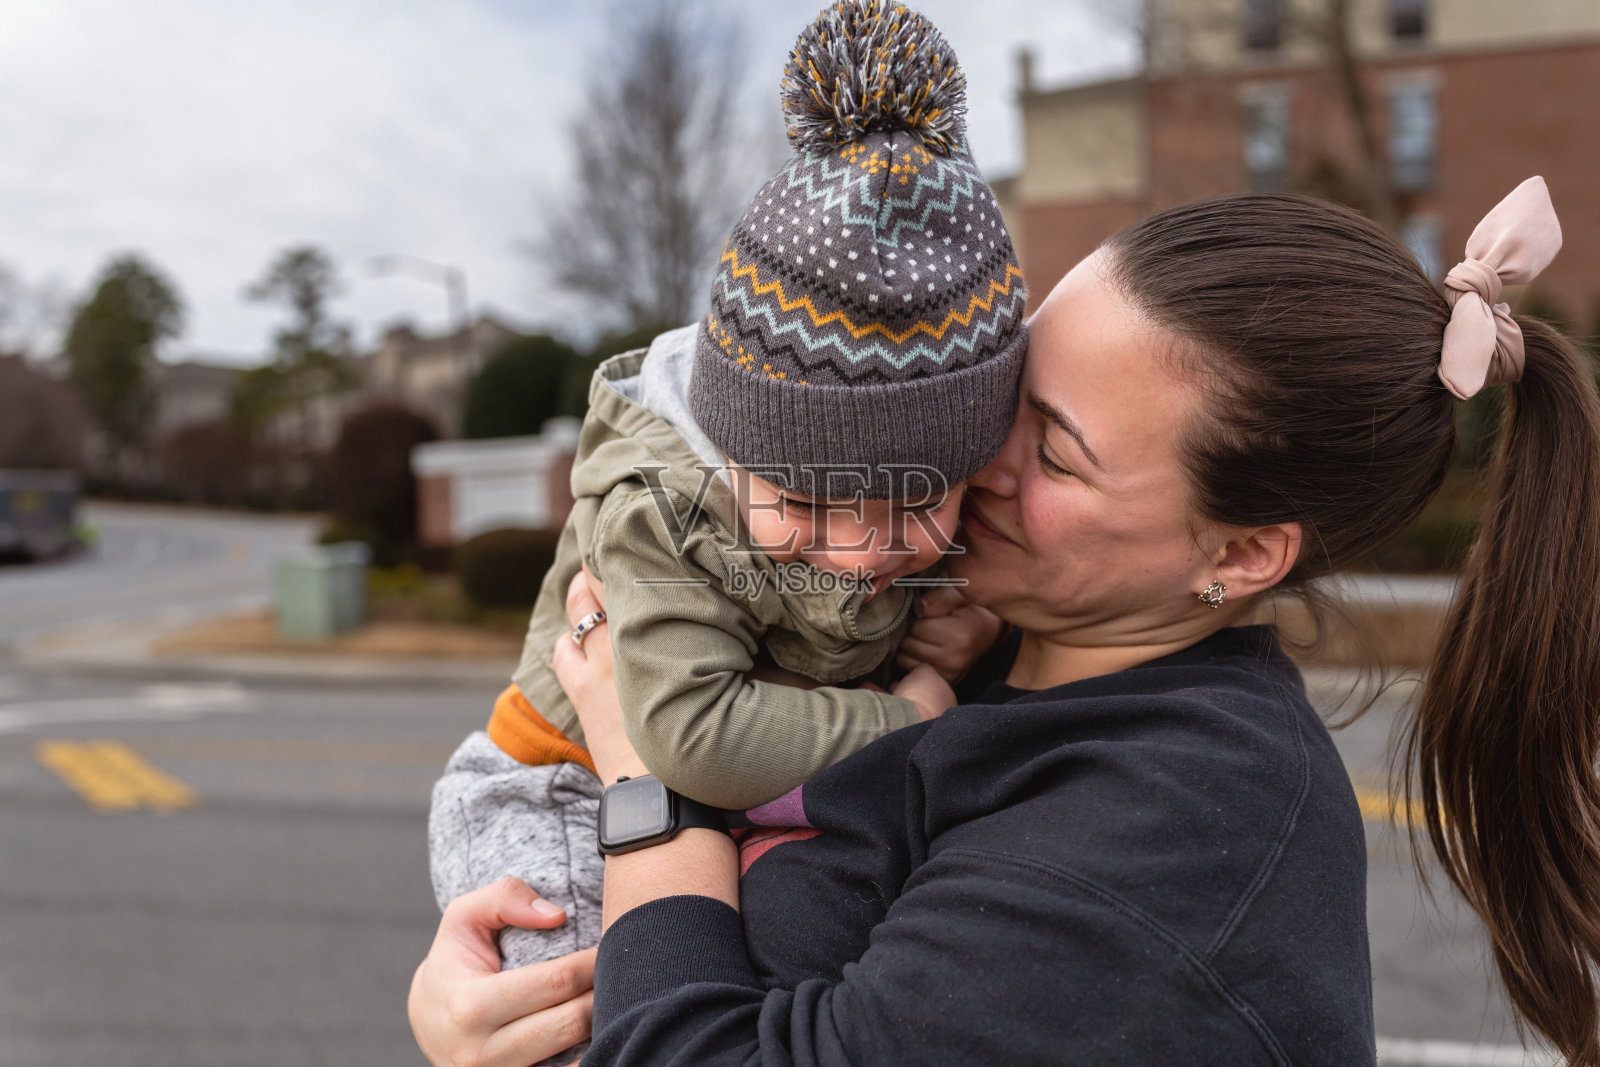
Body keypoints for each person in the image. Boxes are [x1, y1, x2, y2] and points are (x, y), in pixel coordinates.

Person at [414, 168, 1600, 1066]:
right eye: (1001, 391)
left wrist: (643, 779)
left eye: (1056, 455)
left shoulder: (1178, 824)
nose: (966, 455)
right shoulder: (966, 636)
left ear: (1238, 553)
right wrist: (494, 1003)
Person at [427, 0, 1025, 986]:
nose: (862, 552)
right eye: (811, 501)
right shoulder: (662, 507)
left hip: (714, 798)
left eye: (915, 501)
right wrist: (911, 714)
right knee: (602, 1015)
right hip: (561, 792)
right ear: (731, 449)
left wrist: (969, 634)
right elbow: (690, 733)